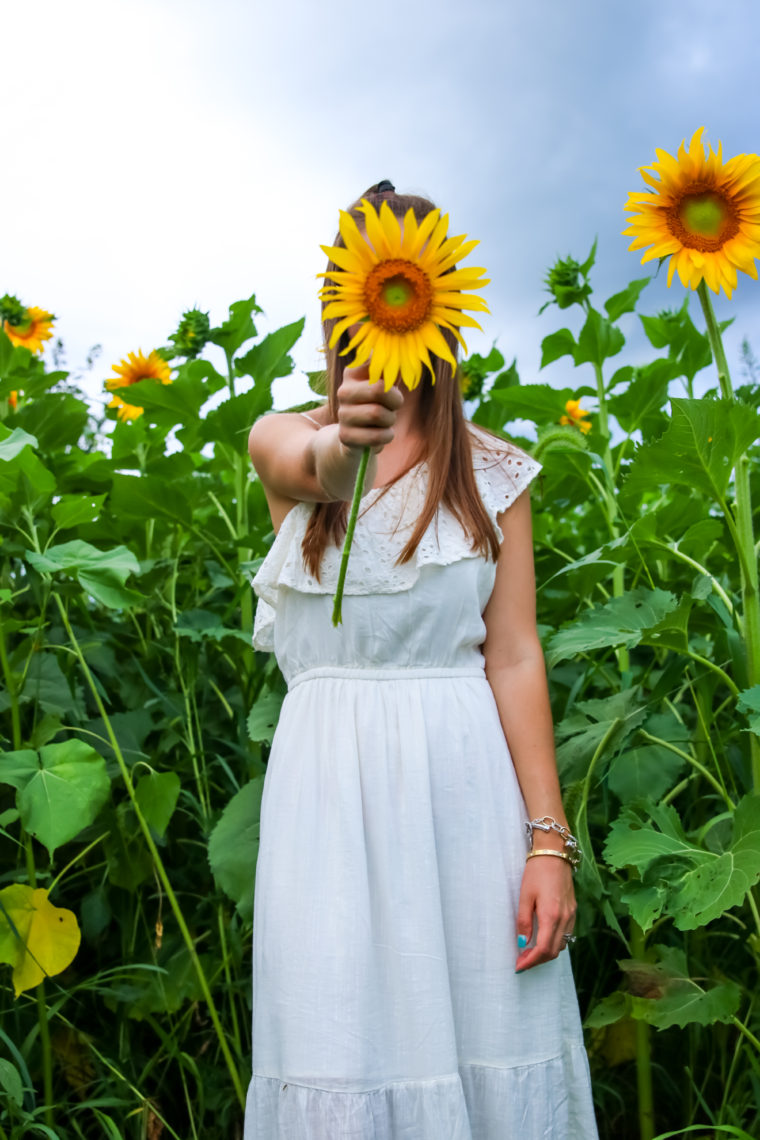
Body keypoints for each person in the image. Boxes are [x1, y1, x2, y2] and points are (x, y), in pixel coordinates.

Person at [244, 184, 598, 1138]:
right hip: (326, 805)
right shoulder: (286, 436)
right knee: (335, 1047)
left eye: (408, 279)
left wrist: (547, 842)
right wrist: (342, 449)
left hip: (466, 797)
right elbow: (307, 468)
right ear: (336, 300)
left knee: (491, 1050)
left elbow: (515, 657)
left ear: (441, 300)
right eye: (361, 279)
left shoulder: (497, 474)